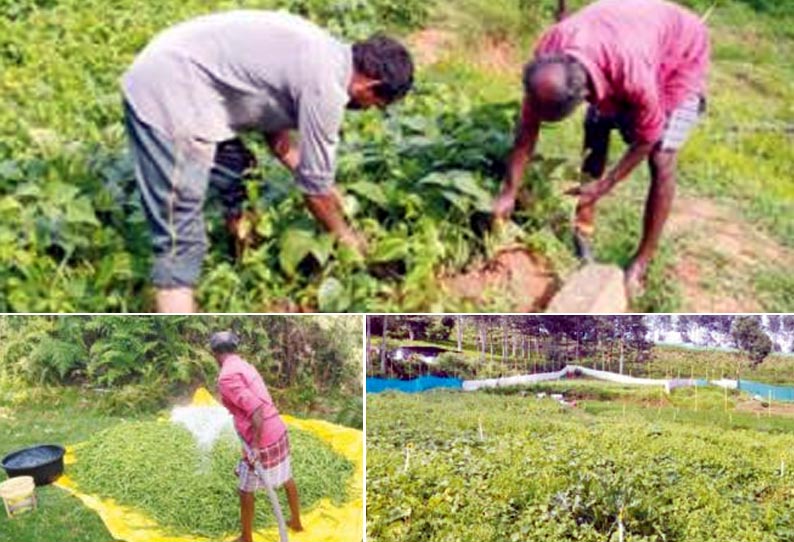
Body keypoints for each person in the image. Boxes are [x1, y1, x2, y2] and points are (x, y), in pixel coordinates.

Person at [122, 10, 414, 312]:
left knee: (240, 171)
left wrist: (328, 187)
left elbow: (279, 139)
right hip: (168, 92)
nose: (367, 110)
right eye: (374, 105)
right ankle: (178, 340)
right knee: (179, 236)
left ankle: (242, 263)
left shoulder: (323, 52)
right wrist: (345, 237)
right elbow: (313, 193)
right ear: (368, 86)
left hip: (187, 75)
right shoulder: (326, 88)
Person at [492, 0, 709, 297]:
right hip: (623, 31)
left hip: (680, 50)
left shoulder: (633, 76)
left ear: (581, 94)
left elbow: (648, 136)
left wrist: (605, 185)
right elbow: (527, 129)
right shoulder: (549, 57)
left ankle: (640, 263)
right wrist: (509, 191)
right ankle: (584, 226)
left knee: (660, 156)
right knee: (596, 126)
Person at [211, 331, 302, 541]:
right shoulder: (244, 365)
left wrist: (256, 447)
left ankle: (246, 537)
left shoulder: (227, 376)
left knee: (245, 489)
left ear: (214, 353)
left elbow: (257, 411)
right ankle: (296, 521)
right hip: (277, 430)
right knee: (286, 476)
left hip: (263, 439)